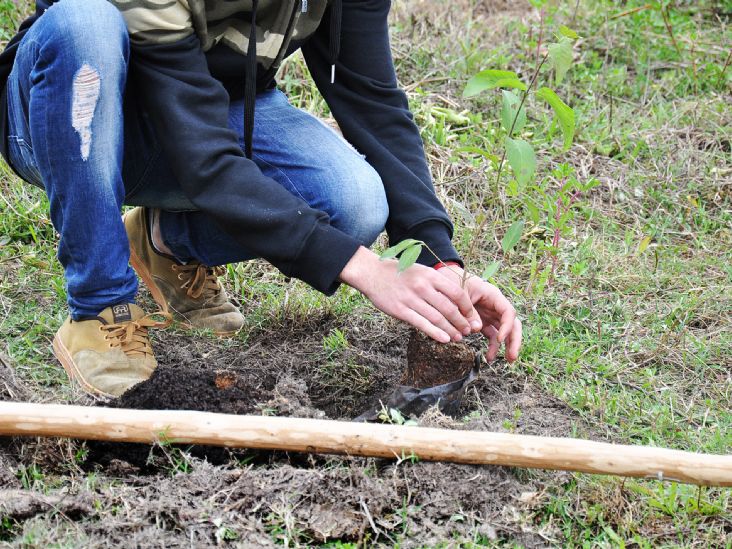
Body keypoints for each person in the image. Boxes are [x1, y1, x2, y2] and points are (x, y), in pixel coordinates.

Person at [0, 0, 522, 397]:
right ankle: (100, 308)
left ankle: (164, 243)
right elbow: (204, 157)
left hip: (201, 107)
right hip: (61, 112)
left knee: (353, 199)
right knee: (83, 19)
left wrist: (439, 260)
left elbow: (371, 98)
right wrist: (357, 264)